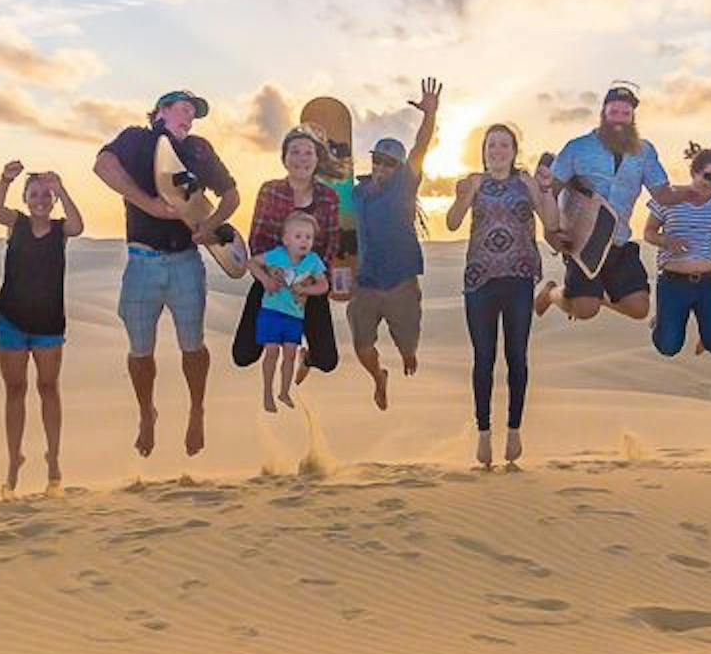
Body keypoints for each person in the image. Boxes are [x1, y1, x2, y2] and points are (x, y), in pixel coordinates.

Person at [94, 91, 241, 459]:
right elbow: (103, 167)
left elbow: (232, 195)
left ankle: (197, 410)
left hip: (185, 261)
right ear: (161, 111)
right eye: (183, 108)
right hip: (141, 261)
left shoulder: (199, 150)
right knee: (140, 350)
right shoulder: (135, 140)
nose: (189, 116)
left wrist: (211, 225)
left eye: (194, 113)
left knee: (193, 345)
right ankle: (147, 413)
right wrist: (149, 206)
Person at [539, 83, 706, 322]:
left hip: (619, 240)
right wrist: (551, 232)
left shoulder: (644, 151)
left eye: (625, 114)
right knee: (585, 310)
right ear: (603, 113)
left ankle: (597, 296)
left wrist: (690, 193)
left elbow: (661, 193)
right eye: (613, 112)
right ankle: (552, 293)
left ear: (632, 118)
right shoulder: (577, 148)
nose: (619, 119)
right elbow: (549, 192)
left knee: (639, 309)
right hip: (584, 243)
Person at [446, 123, 558, 469]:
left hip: (518, 277)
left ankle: (513, 430)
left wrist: (547, 190)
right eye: (492, 145)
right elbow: (451, 223)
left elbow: (551, 223)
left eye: (504, 145)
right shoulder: (473, 181)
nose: (497, 150)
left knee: (516, 357)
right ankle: (483, 433)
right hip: (480, 278)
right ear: (484, 150)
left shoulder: (525, 182)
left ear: (513, 149)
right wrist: (463, 195)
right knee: (483, 358)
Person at [0, 161, 83, 498]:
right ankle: (14, 462)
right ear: (26, 198)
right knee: (15, 390)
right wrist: (5, 180)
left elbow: (78, 225)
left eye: (47, 195)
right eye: (35, 194)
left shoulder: (60, 230)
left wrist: (63, 189)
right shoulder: (17, 222)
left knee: (48, 387)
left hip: (48, 323)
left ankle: (53, 461)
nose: (41, 199)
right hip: (12, 318)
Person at [348, 78, 441, 409]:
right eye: (377, 161)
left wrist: (429, 115)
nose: (381, 167)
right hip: (367, 282)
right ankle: (378, 378)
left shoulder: (404, 186)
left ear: (398, 168)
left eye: (388, 163)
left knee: (408, 348)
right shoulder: (357, 193)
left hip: (401, 281)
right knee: (361, 346)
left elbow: (420, 147)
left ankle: (406, 351)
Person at [232, 127, 342, 374]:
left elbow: (331, 244)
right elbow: (258, 240)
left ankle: (306, 355)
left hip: (309, 281)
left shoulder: (329, 197)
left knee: (327, 361)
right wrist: (274, 276)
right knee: (243, 356)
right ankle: (275, 337)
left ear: (317, 159)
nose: (301, 158)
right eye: (295, 152)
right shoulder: (270, 191)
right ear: (284, 158)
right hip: (273, 278)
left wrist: (309, 281)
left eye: (308, 153)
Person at [643, 143, 711, 358]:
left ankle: (706, 330)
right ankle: (662, 322)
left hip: (710, 282)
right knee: (668, 347)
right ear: (694, 172)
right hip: (673, 281)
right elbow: (648, 232)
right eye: (708, 176)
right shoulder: (668, 197)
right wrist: (666, 240)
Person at [253, 210, 330, 412]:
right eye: (298, 236)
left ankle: (284, 392)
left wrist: (305, 289)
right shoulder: (276, 255)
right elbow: (252, 263)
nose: (304, 241)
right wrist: (266, 280)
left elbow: (323, 285)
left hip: (294, 316)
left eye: (309, 237)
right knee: (271, 352)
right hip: (271, 311)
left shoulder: (313, 261)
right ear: (286, 239)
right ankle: (267, 393)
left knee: (290, 354)